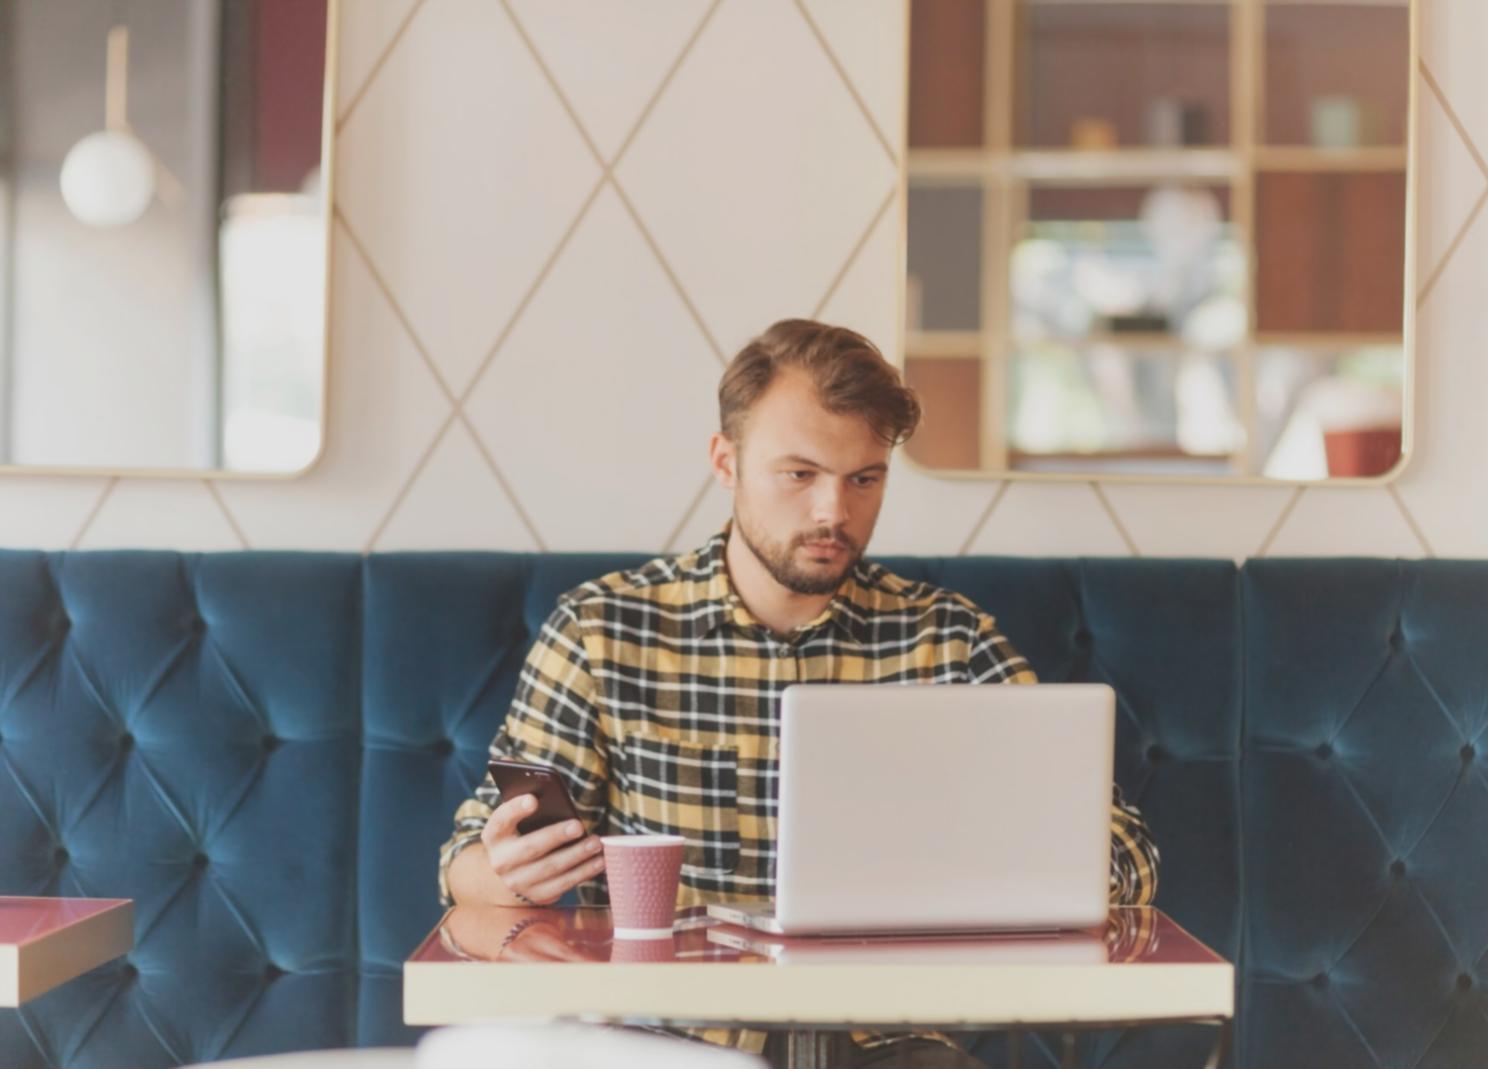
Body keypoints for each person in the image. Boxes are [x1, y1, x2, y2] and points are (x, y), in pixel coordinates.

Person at [439, 318, 1160, 1068]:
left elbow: (1128, 853)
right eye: (799, 474)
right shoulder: (602, 630)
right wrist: (504, 871)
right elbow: (466, 859)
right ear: (726, 461)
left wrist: (1034, 860)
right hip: (665, 1040)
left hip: (891, 1042)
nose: (833, 513)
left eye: (864, 478)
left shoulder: (946, 640)